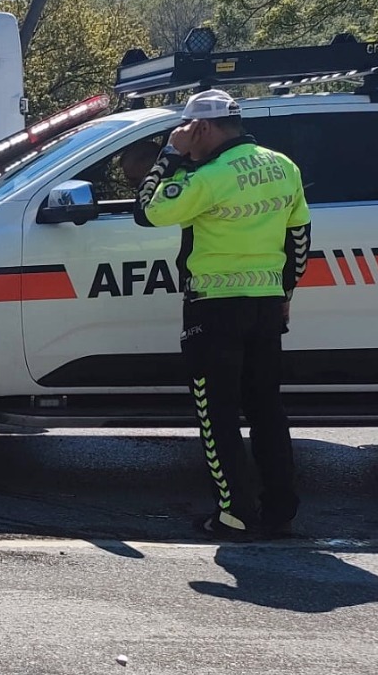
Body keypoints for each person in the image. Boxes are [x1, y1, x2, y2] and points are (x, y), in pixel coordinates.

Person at [132, 89, 311, 540]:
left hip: (213, 307)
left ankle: (235, 514)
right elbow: (299, 236)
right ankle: (280, 509)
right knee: (268, 409)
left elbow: (148, 210)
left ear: (202, 127)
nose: (182, 136)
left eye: (186, 129)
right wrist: (287, 290)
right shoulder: (283, 166)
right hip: (267, 304)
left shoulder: (209, 178)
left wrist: (170, 154)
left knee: (218, 415)